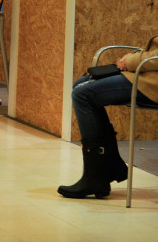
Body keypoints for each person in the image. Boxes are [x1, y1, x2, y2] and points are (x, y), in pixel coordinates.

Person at [58, 36, 158, 199]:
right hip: (148, 74)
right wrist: (134, 56)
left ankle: (98, 174)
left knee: (82, 94)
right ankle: (106, 167)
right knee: (80, 85)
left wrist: (133, 60)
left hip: (152, 81)